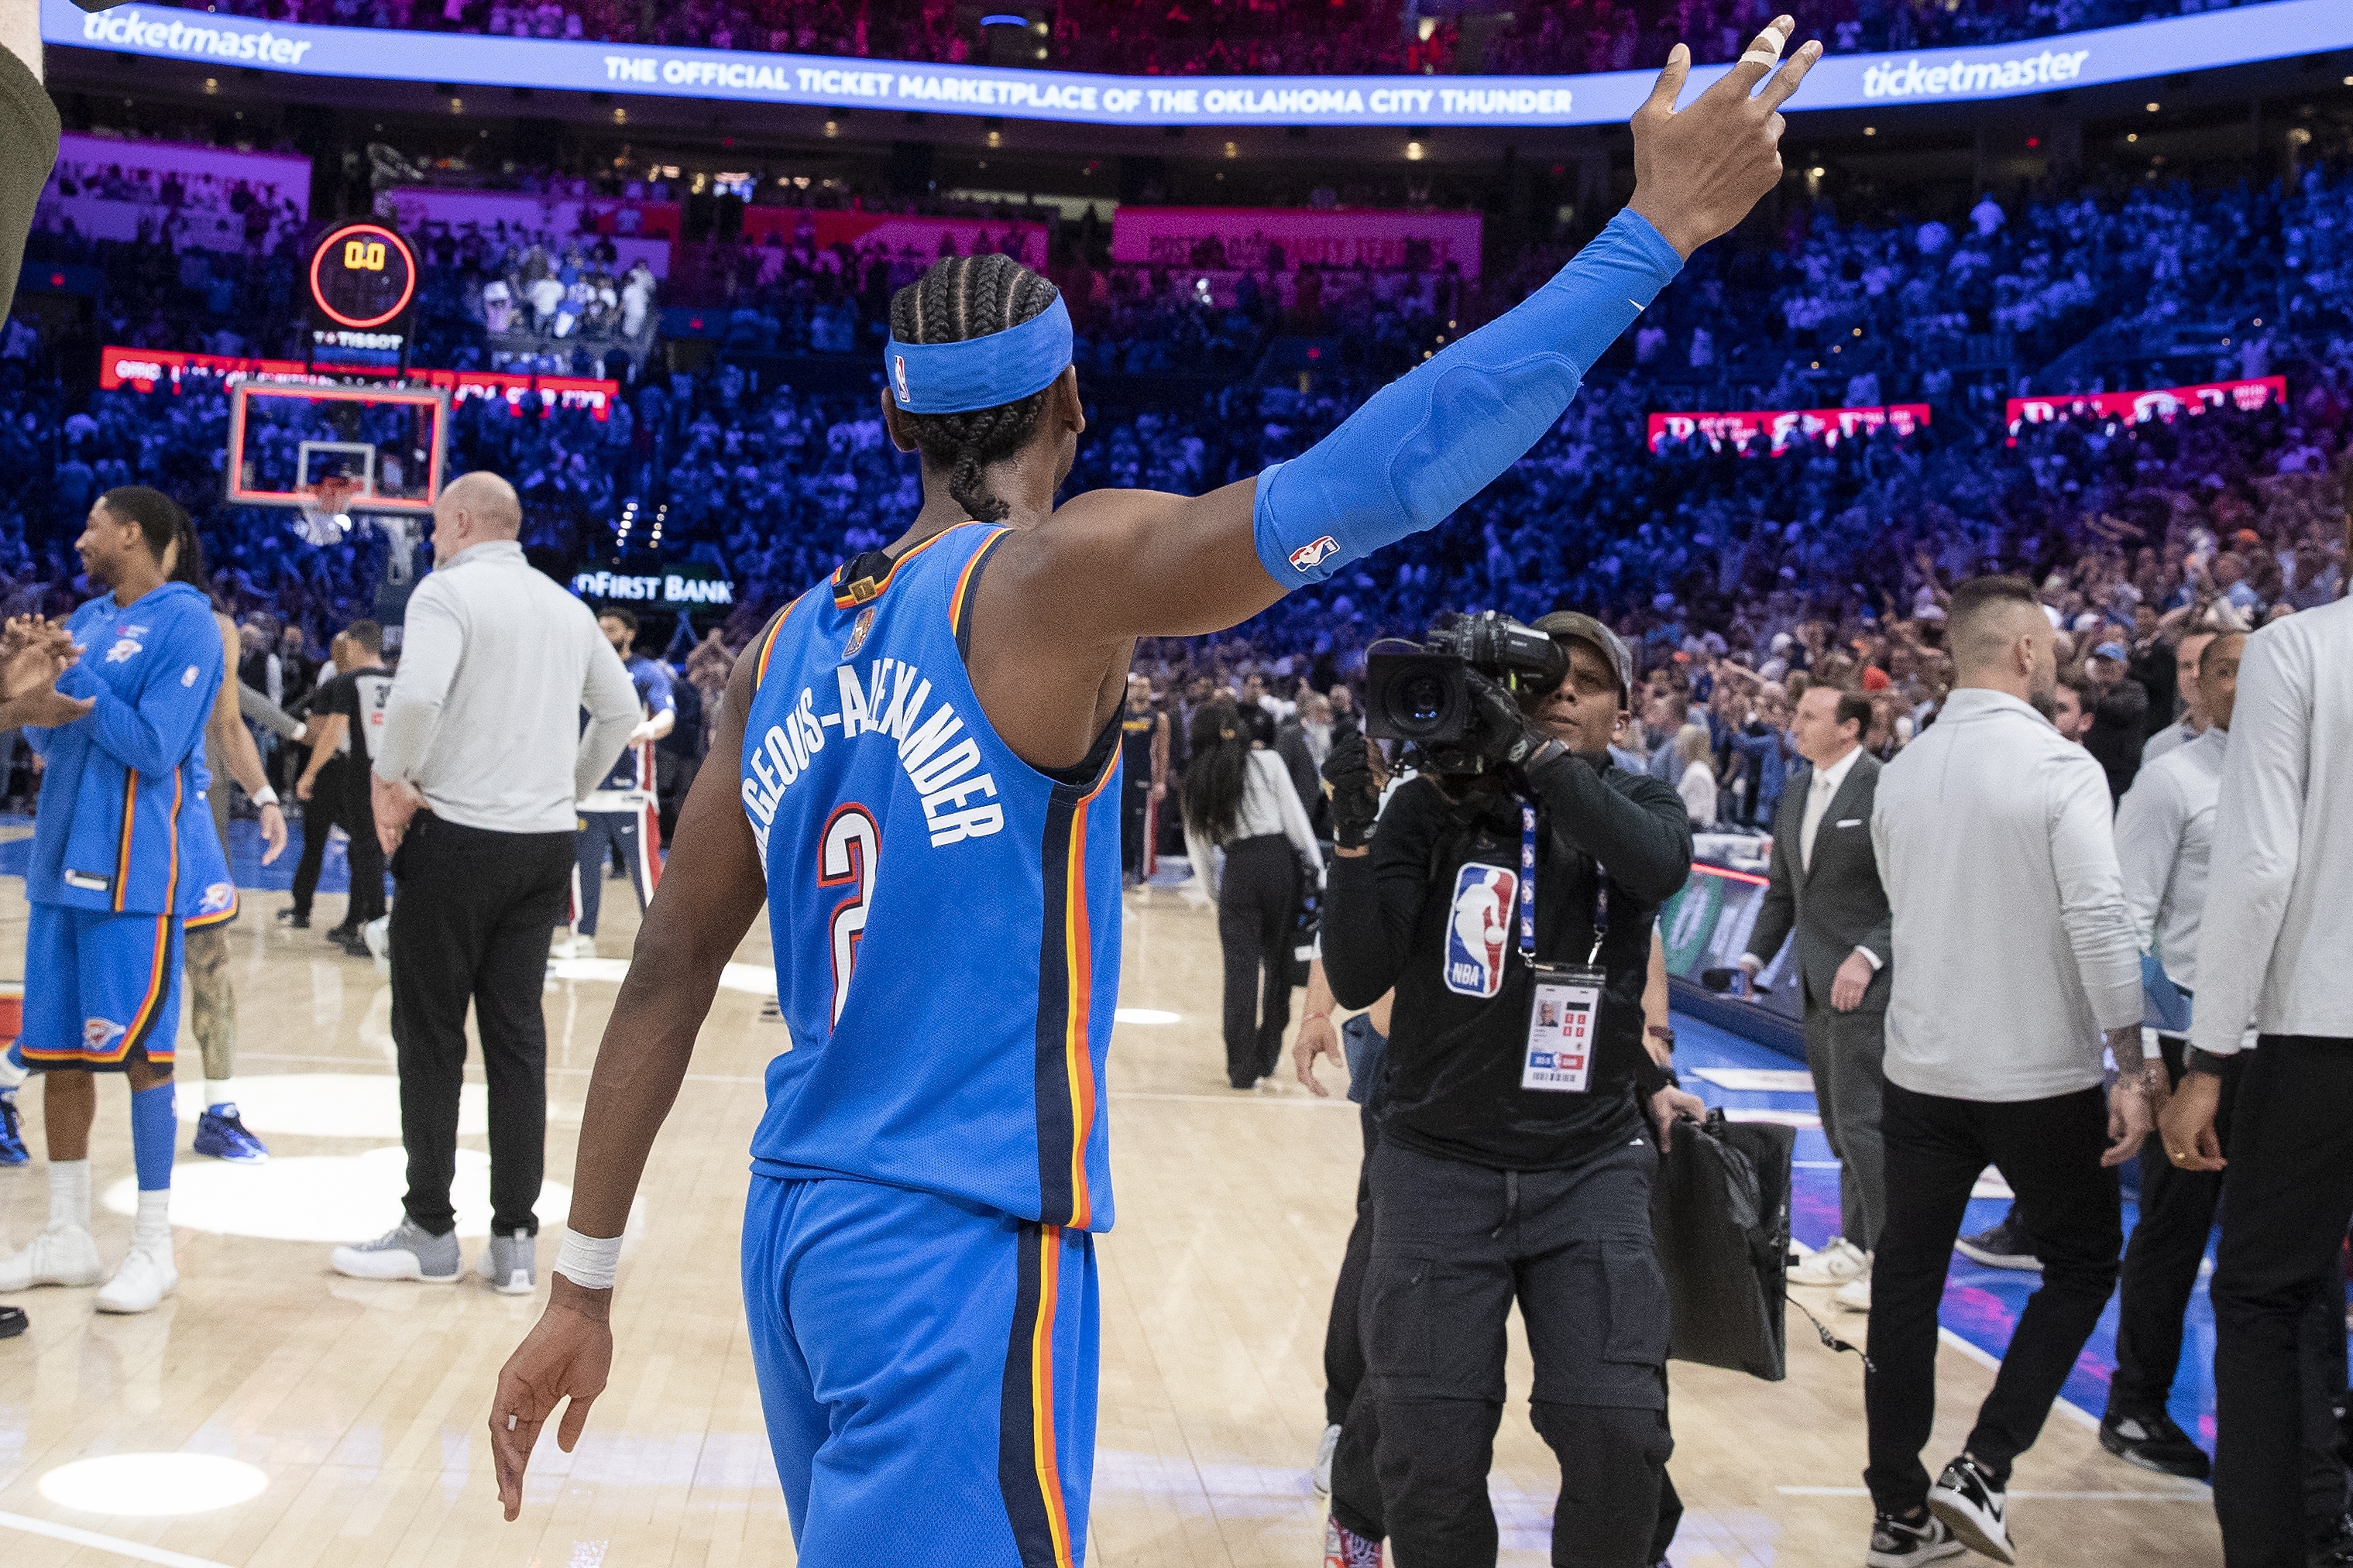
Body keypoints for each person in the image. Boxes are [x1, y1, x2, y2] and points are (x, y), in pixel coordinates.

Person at [481, 29, 1820, 1561]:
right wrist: (1649, 236)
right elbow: (1385, 474)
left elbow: (665, 967)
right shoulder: (1047, 581)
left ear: (899, 421)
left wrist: (583, 1277)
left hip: (794, 1231)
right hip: (952, 1239)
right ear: (1070, 397)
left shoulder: (783, 644)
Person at [1315, 609, 1702, 1568]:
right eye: (1542, 679)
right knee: (1430, 1455)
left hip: (1587, 1166)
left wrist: (1530, 756)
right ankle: (1359, 1515)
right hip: (1436, 1168)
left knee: (1616, 1431)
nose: (1564, 691)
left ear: (1621, 715)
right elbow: (1359, 972)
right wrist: (1352, 836)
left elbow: (1654, 866)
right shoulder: (1430, 808)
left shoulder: (1643, 805)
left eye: (1588, 682)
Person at [1864, 575, 2155, 1564]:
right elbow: (2100, 924)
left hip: (1920, 1069)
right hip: (2036, 1074)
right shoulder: (2059, 767)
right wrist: (2132, 1064)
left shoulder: (1899, 773)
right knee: (2082, 1263)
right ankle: (1983, 1465)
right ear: (2027, 651)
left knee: (1905, 1283)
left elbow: (1904, 909)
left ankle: (1895, 1512)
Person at [329, 472, 638, 1292]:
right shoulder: (568, 609)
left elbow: (417, 698)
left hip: (457, 838)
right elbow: (619, 712)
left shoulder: (448, 593)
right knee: (517, 1041)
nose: (432, 543)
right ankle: (514, 1244)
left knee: (431, 1037)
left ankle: (430, 1229)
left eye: (437, 528)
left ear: (462, 521)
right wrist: (566, 791)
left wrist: (389, 778)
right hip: (543, 847)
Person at [2159, 581, 2353, 1568]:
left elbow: (2258, 867)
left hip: (2320, 1027)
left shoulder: (2296, 647)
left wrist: (2207, 1060)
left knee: (2263, 1300)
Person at [0, 487, 226, 1314]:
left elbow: (156, 747)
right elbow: (48, 738)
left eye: (93, 526)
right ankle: (67, 1235)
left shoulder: (188, 622)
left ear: (132, 533)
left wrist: (78, 673)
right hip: (58, 866)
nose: (81, 539)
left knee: (143, 1057)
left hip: (135, 874)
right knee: (57, 1056)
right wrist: (25, 681)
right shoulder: (88, 617)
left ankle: (153, 1248)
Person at [1739, 684, 1890, 1314]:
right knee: (1836, 1122)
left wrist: (1870, 954)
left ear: (1850, 727)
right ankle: (1855, 1243)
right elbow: (1783, 889)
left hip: (1868, 983)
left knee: (1864, 1122)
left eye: (1808, 716)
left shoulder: (1884, 789)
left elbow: (1913, 890)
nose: (1794, 724)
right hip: (1813, 979)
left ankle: (1890, 1260)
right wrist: (1754, 956)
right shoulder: (1798, 789)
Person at [172, 516, 291, 1162]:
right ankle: (11, 1080)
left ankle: (220, 1109)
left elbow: (227, 724)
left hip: (187, 817)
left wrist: (266, 795)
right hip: (118, 816)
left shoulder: (215, 627)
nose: (83, 540)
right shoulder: (95, 621)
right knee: (107, 977)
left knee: (210, 960)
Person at [1183, 703, 1322, 1088]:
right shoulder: (1268, 762)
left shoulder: (1197, 779)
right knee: (1279, 966)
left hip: (1239, 870)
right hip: (1279, 864)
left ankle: (1241, 1068)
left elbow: (1200, 850)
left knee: (1239, 971)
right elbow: (1295, 820)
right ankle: (1268, 1053)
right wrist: (1318, 872)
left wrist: (1217, 893)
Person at [558, 607, 674, 959]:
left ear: (630, 634)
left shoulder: (646, 672)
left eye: (611, 629)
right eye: (600, 628)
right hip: (585, 789)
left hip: (631, 792)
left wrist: (649, 729)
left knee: (645, 870)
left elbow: (667, 716)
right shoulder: (582, 670)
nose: (603, 634)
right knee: (582, 867)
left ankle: (660, 943)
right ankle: (581, 936)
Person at [295, 621, 394, 958]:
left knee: (366, 849)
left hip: (361, 773)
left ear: (354, 645)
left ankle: (378, 928)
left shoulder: (349, 682)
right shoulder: (397, 680)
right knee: (370, 850)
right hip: (395, 773)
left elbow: (331, 733)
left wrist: (309, 773)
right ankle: (359, 921)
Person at [2081, 639, 2149, 801]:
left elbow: (2119, 711)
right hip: (2093, 765)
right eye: (2100, 661)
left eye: (2109, 661)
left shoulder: (2135, 690)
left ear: (2122, 666)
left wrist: (2098, 687)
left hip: (2121, 770)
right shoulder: (2089, 689)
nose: (2104, 666)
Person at [1118, 674, 1170, 887]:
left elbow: (1162, 753)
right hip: (1122, 779)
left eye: (1144, 686)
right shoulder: (1121, 715)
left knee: (1143, 828)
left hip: (1145, 779)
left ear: (1150, 691)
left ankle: (1143, 872)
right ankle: (1123, 870)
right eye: (1136, 686)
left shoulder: (1158, 718)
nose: (1140, 689)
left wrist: (1161, 782)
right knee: (1122, 825)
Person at [2140, 626, 2216, 765]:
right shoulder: (2158, 747)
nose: (2195, 674)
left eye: (2204, 664)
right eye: (2186, 666)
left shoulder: (2251, 742)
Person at [1671, 722, 1715, 827]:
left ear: (1686, 746)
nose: (1676, 744)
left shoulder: (1697, 773)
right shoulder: (1693, 770)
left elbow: (1696, 816)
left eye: (1679, 740)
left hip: (1696, 834)